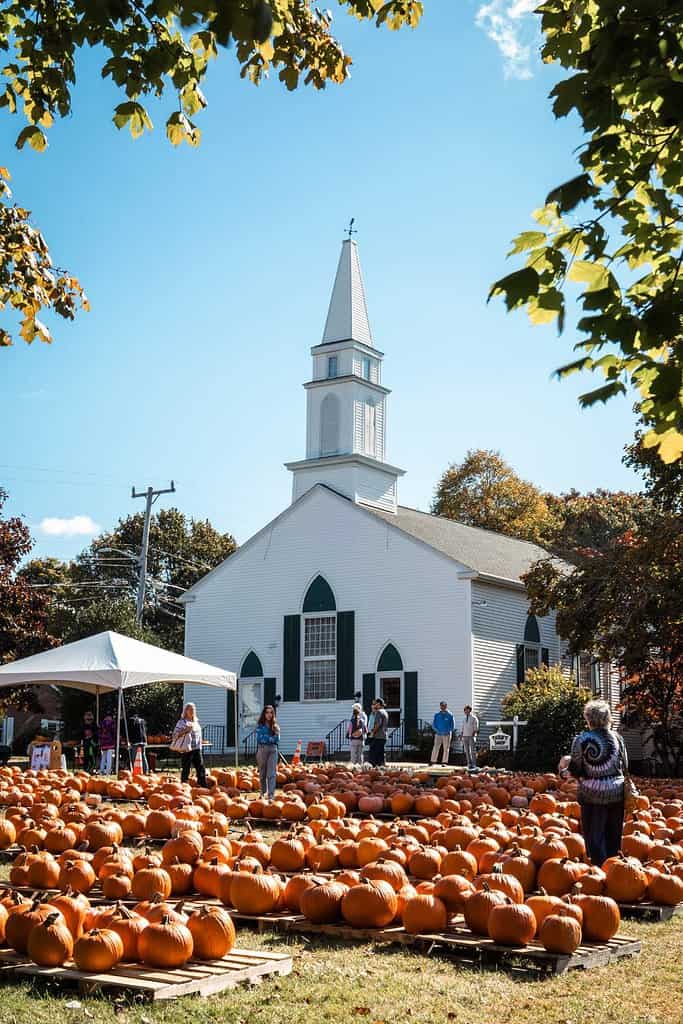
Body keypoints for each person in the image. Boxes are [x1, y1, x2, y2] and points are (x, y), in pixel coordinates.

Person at [558, 699, 627, 866]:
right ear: (608, 718)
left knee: (594, 837)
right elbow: (625, 765)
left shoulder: (581, 739)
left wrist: (563, 772)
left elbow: (576, 769)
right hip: (617, 793)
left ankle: (598, 870)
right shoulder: (618, 738)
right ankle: (614, 869)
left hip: (592, 795)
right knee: (614, 835)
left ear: (588, 719)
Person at [171, 703, 207, 788]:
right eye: (190, 709)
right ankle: (184, 787)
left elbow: (196, 734)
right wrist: (185, 730)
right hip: (187, 749)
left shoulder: (195, 722)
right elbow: (174, 735)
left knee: (200, 768)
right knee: (186, 768)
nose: (192, 711)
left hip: (197, 748)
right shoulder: (182, 722)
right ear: (185, 711)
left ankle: (203, 786)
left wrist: (201, 741)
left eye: (193, 709)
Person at [255, 704, 280, 799]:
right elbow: (259, 739)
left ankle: (271, 795)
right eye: (267, 712)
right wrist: (271, 738)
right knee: (262, 773)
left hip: (273, 750)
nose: (269, 714)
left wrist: (268, 738)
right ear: (264, 714)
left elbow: (277, 739)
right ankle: (263, 792)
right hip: (262, 750)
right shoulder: (260, 726)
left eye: (271, 713)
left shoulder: (276, 726)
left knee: (271, 773)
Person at [430, 701, 455, 765]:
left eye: (444, 705)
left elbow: (452, 726)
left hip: (447, 734)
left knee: (446, 748)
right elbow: (433, 725)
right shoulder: (437, 715)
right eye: (441, 705)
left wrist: (447, 731)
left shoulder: (450, 715)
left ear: (446, 706)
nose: (442, 707)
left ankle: (444, 762)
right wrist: (437, 730)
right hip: (438, 734)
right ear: (440, 706)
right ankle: (433, 761)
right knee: (435, 747)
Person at [367, 698, 389, 767]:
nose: (374, 705)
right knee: (381, 755)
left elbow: (378, 724)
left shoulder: (379, 712)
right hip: (383, 736)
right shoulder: (385, 712)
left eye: (375, 703)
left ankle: (373, 769)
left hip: (378, 737)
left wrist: (372, 732)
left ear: (379, 704)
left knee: (373, 756)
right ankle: (381, 769)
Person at [460, 704, 479, 769]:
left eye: (467, 710)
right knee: (466, 751)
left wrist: (474, 733)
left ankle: (474, 764)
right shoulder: (464, 719)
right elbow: (462, 727)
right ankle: (469, 763)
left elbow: (476, 727)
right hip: (465, 736)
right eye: (465, 710)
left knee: (472, 751)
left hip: (471, 736)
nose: (466, 711)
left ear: (470, 710)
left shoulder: (474, 718)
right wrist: (461, 734)